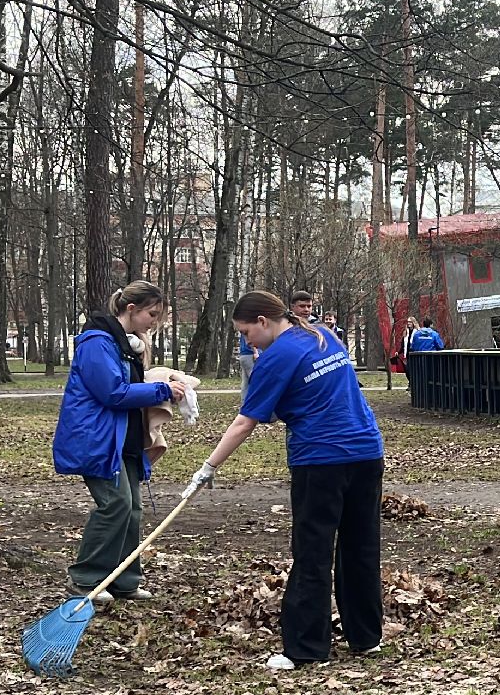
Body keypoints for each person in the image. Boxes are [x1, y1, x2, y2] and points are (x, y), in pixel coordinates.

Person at [185, 290, 385, 671]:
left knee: (313, 550)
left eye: (246, 333)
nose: (246, 341)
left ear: (263, 321)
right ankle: (365, 637)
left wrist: (208, 467)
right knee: (361, 546)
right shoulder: (323, 336)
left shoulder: (277, 356)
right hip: (366, 451)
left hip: (320, 460)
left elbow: (246, 422)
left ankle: (305, 647)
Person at [52, 281, 186, 604]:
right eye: (151, 314)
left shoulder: (128, 346)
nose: (154, 322)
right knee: (117, 505)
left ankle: (123, 579)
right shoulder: (97, 343)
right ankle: (84, 579)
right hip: (97, 440)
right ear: (131, 310)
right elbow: (112, 392)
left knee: (133, 510)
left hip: (122, 440)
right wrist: (162, 391)